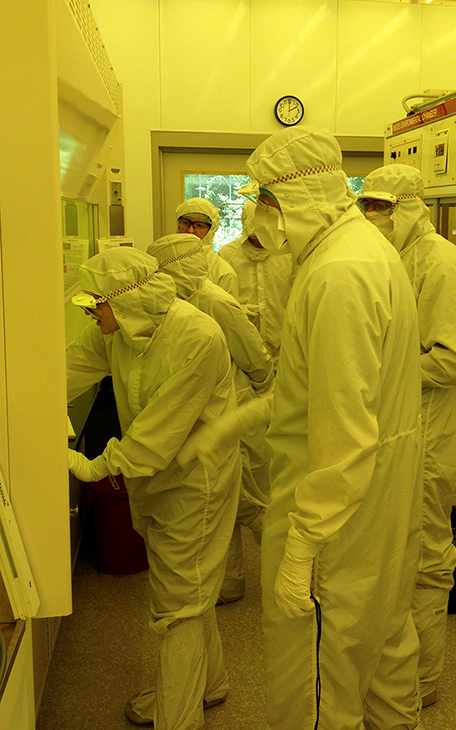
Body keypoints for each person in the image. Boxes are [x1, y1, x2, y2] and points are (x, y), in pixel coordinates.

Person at [245, 126, 424, 730]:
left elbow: (344, 436)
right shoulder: (361, 251)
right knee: (383, 653)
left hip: (338, 524)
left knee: (319, 683)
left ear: (295, 199)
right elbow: (331, 390)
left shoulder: (339, 272)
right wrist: (238, 420)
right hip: (381, 501)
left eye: (263, 197)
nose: (255, 212)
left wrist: (302, 547)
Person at [66, 247, 241, 730]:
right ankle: (210, 683)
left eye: (93, 304)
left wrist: (95, 466)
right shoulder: (119, 328)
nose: (87, 312)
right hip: (154, 480)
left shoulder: (197, 336)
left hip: (194, 483)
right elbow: (64, 370)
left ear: (124, 300)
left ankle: (177, 717)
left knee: (178, 604)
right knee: (190, 587)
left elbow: (160, 431)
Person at [359, 163, 456, 708]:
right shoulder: (389, 258)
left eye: (380, 207)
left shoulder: (443, 264)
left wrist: (383, 370)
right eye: (366, 205)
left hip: (429, 434)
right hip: (394, 426)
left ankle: (423, 679)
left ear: (409, 207)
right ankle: (393, 668)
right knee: (393, 551)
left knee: (428, 553)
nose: (370, 215)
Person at [147, 232, 274, 601]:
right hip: (209, 414)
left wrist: (263, 406)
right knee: (226, 504)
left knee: (255, 504)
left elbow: (255, 358)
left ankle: (295, 576)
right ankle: (230, 583)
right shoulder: (176, 303)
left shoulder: (215, 302)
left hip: (236, 413)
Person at [219, 200, 294, 367]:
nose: (259, 242)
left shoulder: (287, 255)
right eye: (254, 237)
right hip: (242, 349)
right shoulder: (227, 256)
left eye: (264, 236)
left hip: (282, 346)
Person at [175, 196, 239, 297]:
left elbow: (226, 311)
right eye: (185, 223)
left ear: (211, 230)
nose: (190, 230)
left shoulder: (223, 274)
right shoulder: (163, 264)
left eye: (199, 225)